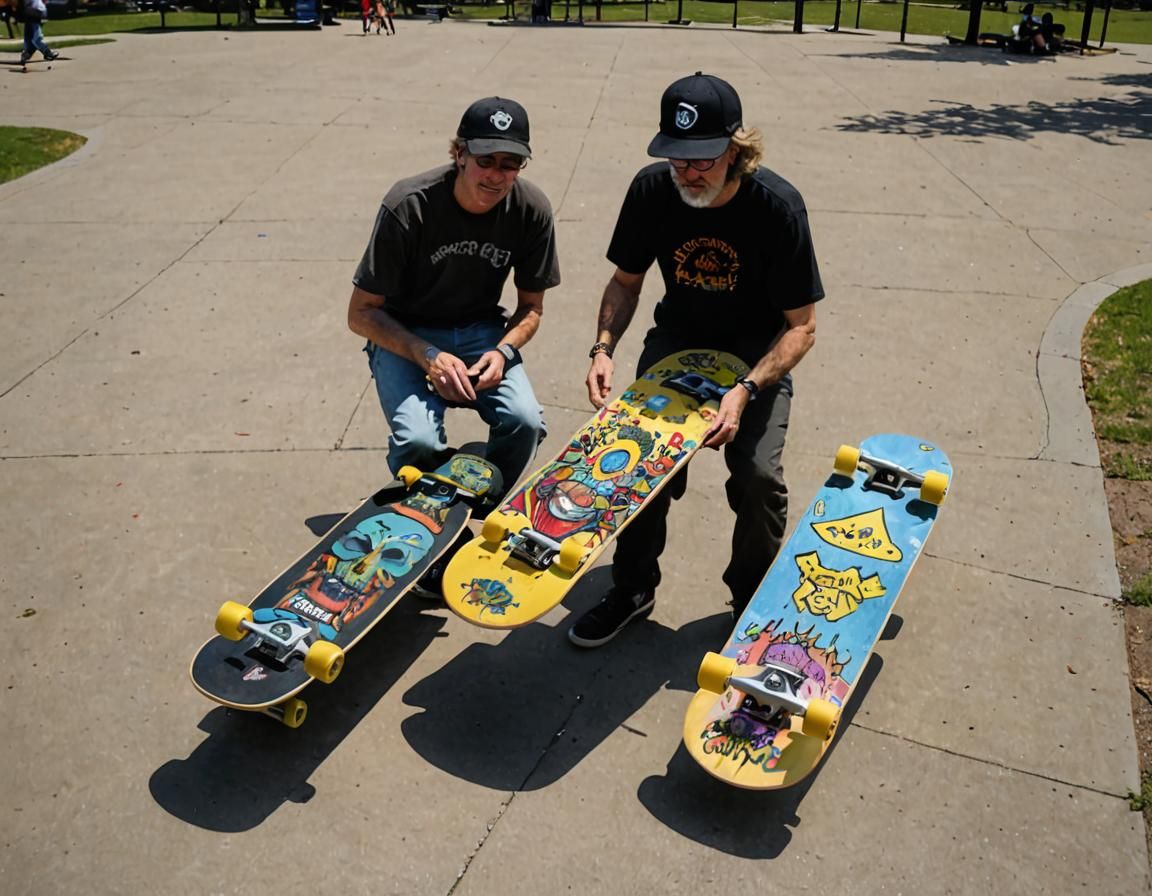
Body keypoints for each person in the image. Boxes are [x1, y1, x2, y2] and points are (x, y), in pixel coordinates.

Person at [568, 72, 824, 648]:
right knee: (640, 467)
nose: (687, 173)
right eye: (676, 158)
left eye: (702, 160)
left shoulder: (777, 208)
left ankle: (750, 602)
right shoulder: (651, 191)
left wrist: (746, 391)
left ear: (736, 148)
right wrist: (603, 348)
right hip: (678, 344)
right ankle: (631, 587)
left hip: (756, 355)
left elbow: (802, 327)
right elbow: (625, 283)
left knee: (758, 477)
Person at [347, 96, 560, 594]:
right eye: (485, 160)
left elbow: (532, 308)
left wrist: (503, 352)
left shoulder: (531, 210)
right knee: (419, 443)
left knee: (525, 421)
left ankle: (477, 510)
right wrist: (425, 354)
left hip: (482, 331)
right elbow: (360, 314)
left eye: (510, 164)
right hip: (405, 333)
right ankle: (423, 530)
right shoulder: (410, 205)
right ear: (459, 152)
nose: (496, 175)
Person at [19, 0, 58, 65]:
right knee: (33, 36)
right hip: (33, 13)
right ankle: (46, 53)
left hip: (37, 12)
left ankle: (27, 55)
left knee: (33, 36)